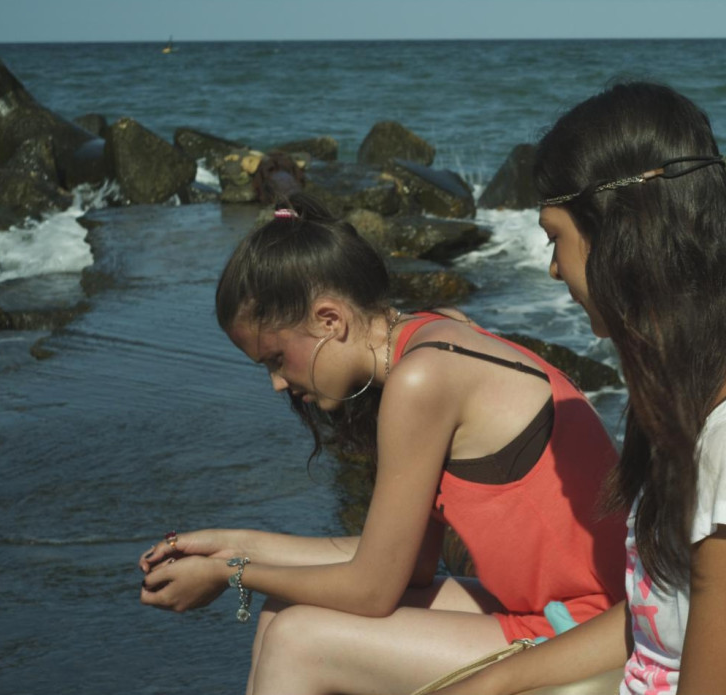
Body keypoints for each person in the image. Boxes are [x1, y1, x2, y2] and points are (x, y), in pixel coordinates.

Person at [437, 82, 726, 695]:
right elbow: (656, 617)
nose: (554, 268)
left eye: (555, 238)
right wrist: (490, 681)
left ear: (620, 235)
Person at [137, 193, 627, 695]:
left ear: (330, 320)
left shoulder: (422, 379)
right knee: (284, 610)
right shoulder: (436, 332)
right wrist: (235, 545)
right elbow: (404, 564)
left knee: (297, 640)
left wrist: (231, 573)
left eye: (276, 359)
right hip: (557, 606)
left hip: (584, 629)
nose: (277, 384)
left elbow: (372, 590)